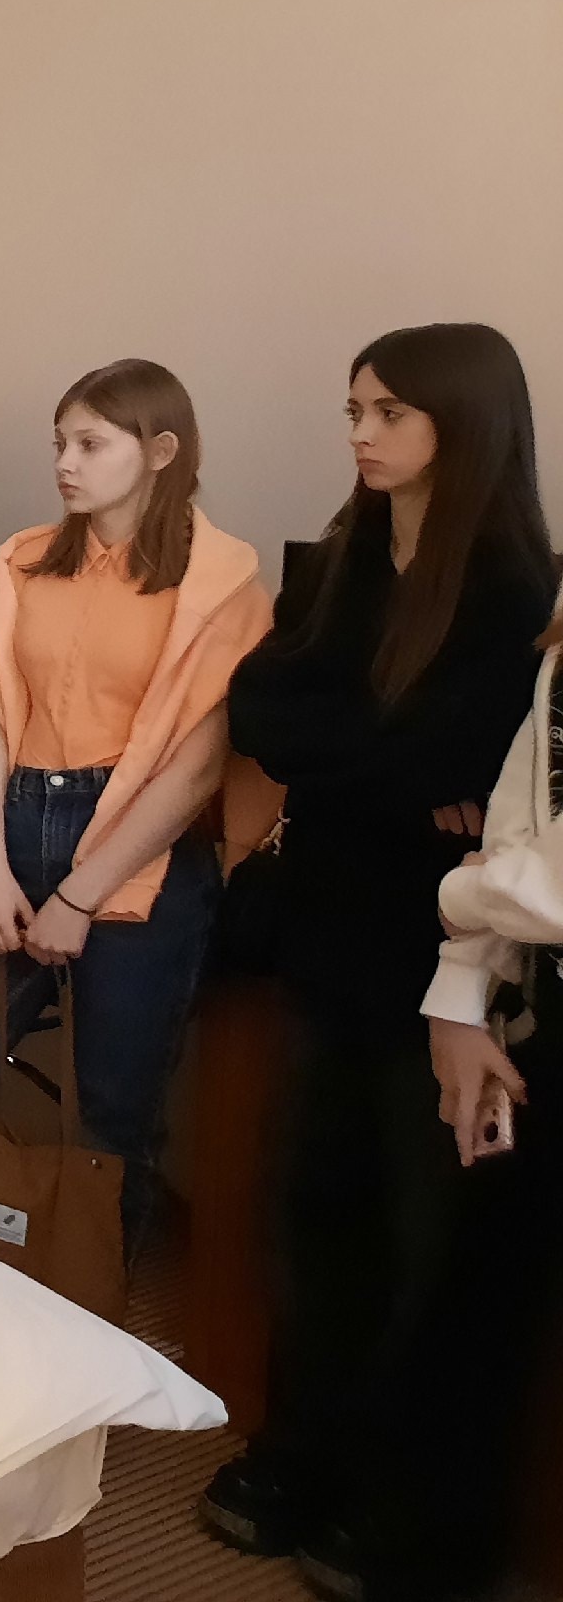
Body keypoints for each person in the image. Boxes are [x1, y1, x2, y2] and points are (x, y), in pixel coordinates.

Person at [198, 324, 556, 1602]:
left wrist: (370, 759)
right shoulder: (346, 555)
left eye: (388, 411)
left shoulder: (515, 585)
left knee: (433, 1248)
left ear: (462, 422)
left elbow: (469, 754)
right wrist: (398, 771)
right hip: (334, 936)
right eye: (354, 407)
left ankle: (407, 1508)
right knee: (318, 1214)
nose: (359, 433)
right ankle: (304, 1455)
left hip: (451, 957)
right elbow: (262, 708)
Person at [0, 359, 268, 1228]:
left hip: (141, 858)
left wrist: (83, 895)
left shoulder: (221, 584)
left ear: (161, 451)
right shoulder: (27, 561)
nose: (64, 462)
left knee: (112, 1124)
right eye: (60, 442)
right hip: (19, 831)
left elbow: (199, 767)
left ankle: (85, 1307)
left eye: (90, 444)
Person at [424, 583, 563, 1601]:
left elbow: (508, 876)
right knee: (475, 1315)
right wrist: (460, 996)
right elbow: (518, 820)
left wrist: (464, 891)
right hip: (540, 1010)